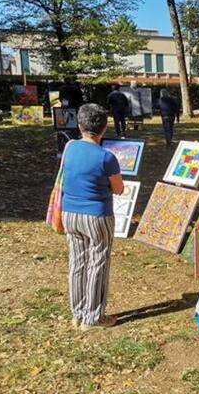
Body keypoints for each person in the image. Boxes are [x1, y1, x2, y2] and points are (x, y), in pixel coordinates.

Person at [61, 103, 124, 331]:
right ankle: (93, 317)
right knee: (98, 262)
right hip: (97, 216)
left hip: (69, 213)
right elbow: (118, 189)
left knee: (77, 262)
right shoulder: (106, 158)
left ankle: (77, 313)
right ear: (105, 128)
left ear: (79, 125)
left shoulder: (69, 147)